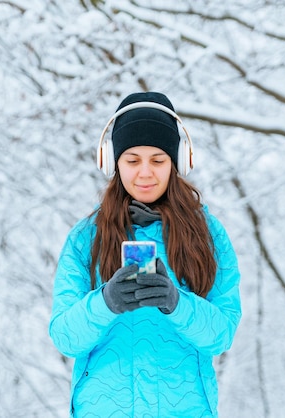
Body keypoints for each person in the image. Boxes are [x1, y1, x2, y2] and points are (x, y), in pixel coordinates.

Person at [49, 92, 241, 417]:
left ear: (177, 161)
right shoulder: (86, 238)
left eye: (158, 160)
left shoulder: (208, 235)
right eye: (133, 160)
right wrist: (106, 302)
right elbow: (65, 337)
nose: (145, 173)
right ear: (113, 162)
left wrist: (177, 303)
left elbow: (221, 335)